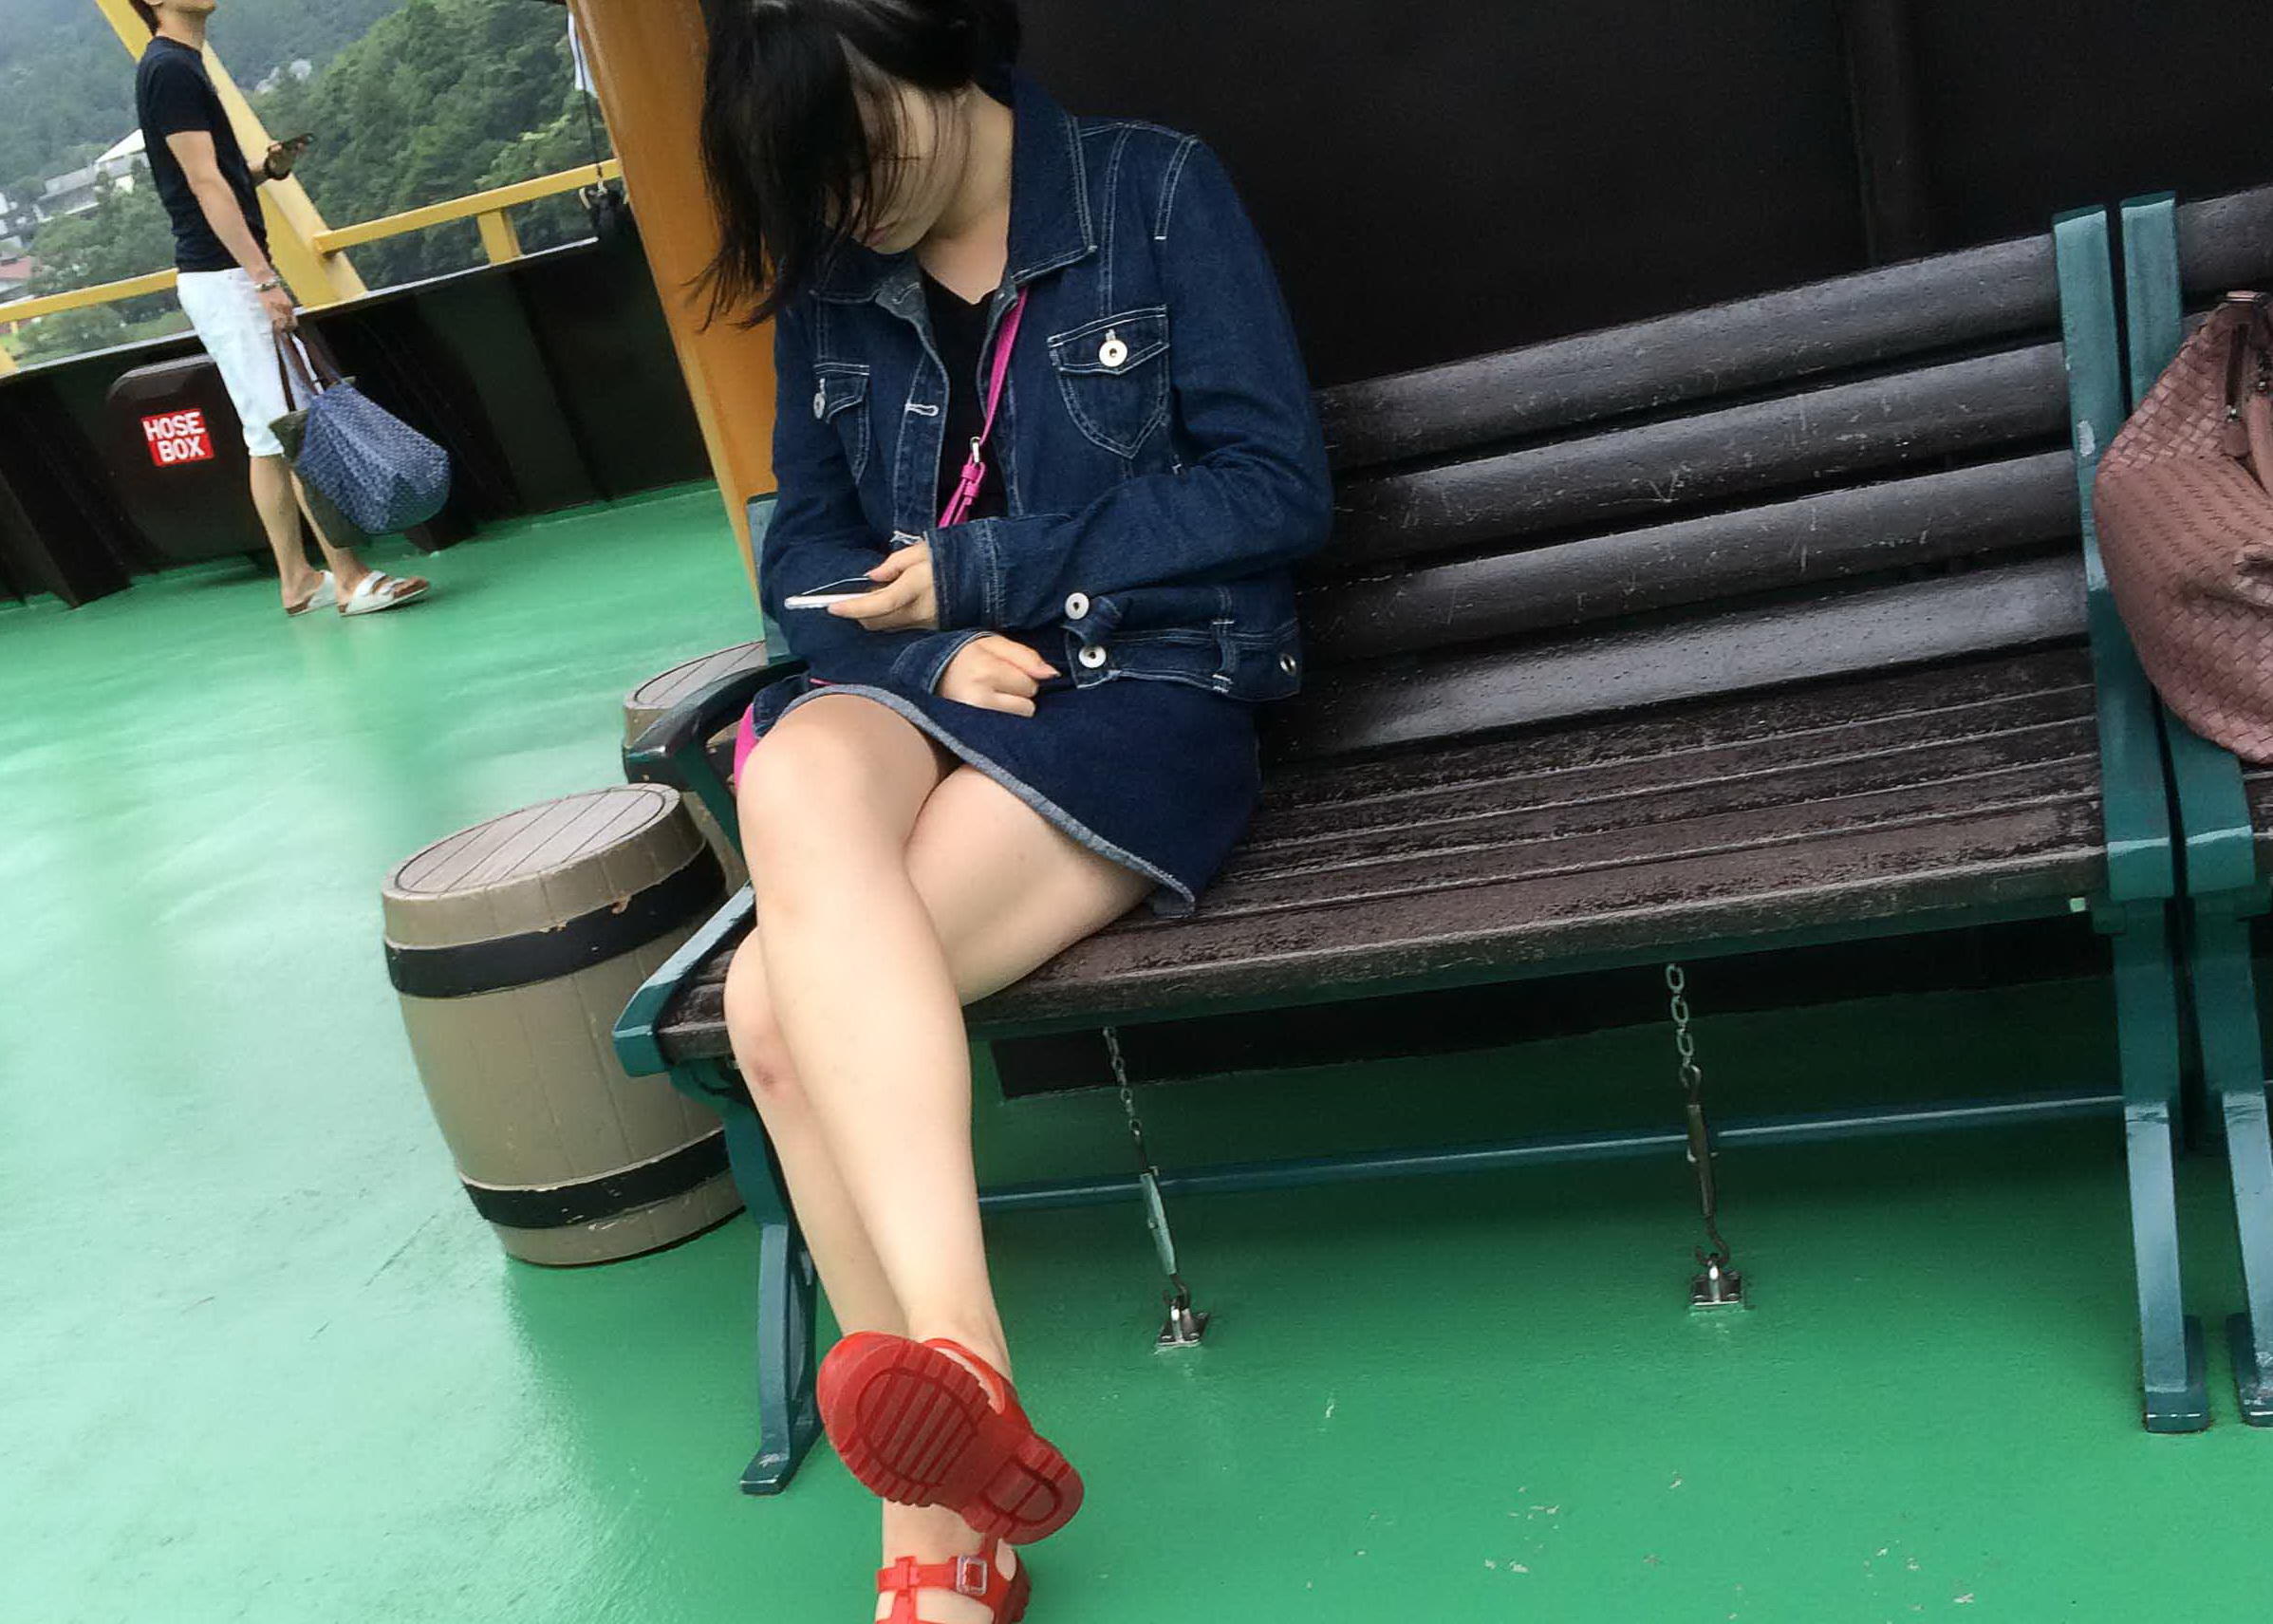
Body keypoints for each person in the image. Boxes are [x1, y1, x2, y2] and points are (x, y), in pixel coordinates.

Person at [696, 2, 1331, 1618]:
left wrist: (988, 570)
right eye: (807, 184)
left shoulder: (1151, 193)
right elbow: (803, 565)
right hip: (925, 690)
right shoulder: (834, 286)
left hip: (1132, 695)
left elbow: (1275, 489)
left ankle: (933, 1516)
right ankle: (963, 1373)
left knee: (772, 1011)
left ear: (933, 44)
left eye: (858, 150)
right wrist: (922, 649)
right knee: (796, 763)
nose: (846, 206)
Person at [131, 0, 428, 618]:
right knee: (297, 428)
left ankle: (296, 580)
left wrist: (263, 170)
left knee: (266, 436)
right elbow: (203, 184)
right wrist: (263, 278)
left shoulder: (180, 63)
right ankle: (349, 579)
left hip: (218, 276)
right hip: (227, 276)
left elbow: (215, 172)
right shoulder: (170, 69)